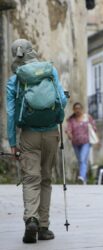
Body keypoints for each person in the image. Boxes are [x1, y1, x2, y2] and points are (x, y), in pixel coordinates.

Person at [6, 39, 67, 243]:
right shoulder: (50, 71)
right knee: (46, 179)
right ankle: (44, 227)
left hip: (29, 134)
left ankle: (31, 219)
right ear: (33, 51)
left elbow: (11, 113)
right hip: (51, 133)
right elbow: (62, 100)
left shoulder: (14, 79)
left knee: (31, 178)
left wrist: (13, 143)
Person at [66, 102, 97, 184]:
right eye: (76, 109)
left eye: (79, 108)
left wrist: (92, 129)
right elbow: (68, 129)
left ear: (82, 109)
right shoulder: (71, 119)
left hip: (86, 142)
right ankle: (84, 179)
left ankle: (81, 177)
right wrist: (69, 134)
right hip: (75, 143)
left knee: (83, 159)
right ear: (73, 110)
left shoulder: (87, 117)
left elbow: (94, 127)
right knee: (80, 160)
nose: (77, 110)